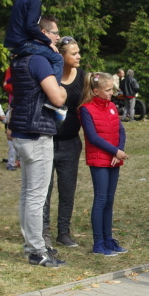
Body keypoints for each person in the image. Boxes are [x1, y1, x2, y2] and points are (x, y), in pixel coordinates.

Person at [9, 35, 67, 267]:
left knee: (27, 194)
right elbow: (57, 96)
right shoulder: (39, 61)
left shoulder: (20, 59)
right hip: (36, 133)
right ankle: (37, 250)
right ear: (42, 34)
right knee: (36, 196)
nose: (57, 38)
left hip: (22, 132)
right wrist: (61, 92)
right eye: (54, 34)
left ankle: (32, 246)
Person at [42, 37, 85, 249]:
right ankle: (43, 232)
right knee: (45, 191)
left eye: (78, 52)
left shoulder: (83, 77)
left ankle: (64, 232)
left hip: (70, 142)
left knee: (67, 190)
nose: (78, 56)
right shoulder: (49, 75)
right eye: (74, 53)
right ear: (62, 56)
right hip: (47, 140)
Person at [79, 72, 128, 255]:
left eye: (112, 89)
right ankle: (98, 242)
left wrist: (119, 151)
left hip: (114, 158)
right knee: (100, 199)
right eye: (107, 90)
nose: (111, 93)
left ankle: (108, 239)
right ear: (96, 91)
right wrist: (114, 151)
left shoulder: (112, 107)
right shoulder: (86, 109)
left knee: (109, 199)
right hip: (99, 159)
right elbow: (92, 137)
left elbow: (120, 131)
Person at [4, 0, 63, 85]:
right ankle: (53, 91)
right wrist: (48, 42)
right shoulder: (34, 0)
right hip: (23, 43)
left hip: (14, 43)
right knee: (57, 58)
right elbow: (31, 26)